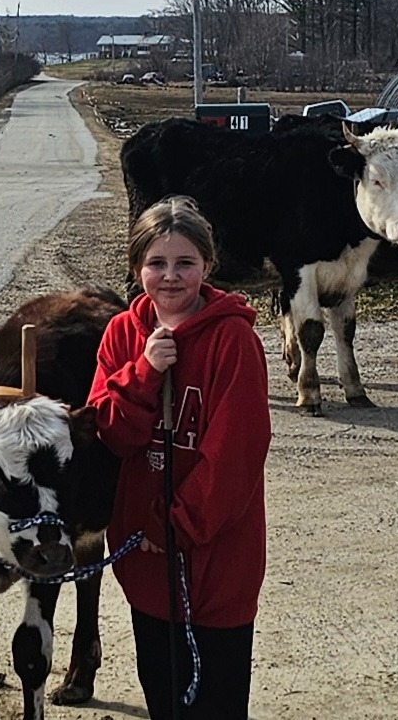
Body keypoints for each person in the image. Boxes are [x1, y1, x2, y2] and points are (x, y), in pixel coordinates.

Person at [88, 195, 271, 719]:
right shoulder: (122, 334)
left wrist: (179, 525)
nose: (170, 276)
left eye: (185, 263)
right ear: (136, 268)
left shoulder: (232, 339)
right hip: (145, 561)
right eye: (157, 263)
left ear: (207, 266)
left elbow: (237, 451)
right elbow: (112, 436)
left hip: (215, 562)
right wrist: (143, 374)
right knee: (164, 699)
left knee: (216, 704)